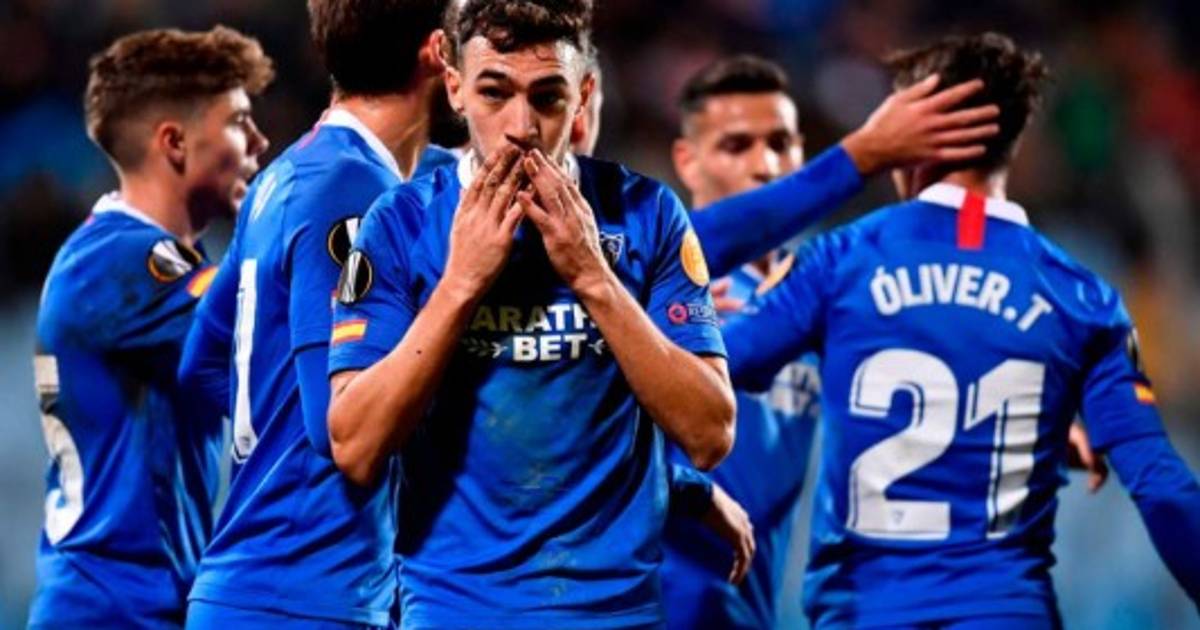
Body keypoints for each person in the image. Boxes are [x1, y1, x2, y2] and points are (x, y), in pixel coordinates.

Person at [721, 32, 1200, 628]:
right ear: (1012, 143)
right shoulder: (1082, 297)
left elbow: (711, 372)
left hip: (867, 614)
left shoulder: (840, 261)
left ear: (911, 137)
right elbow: (1162, 488)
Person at [326, 0, 738, 626]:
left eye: (548, 97)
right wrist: (460, 285)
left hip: (616, 611)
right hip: (456, 609)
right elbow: (355, 447)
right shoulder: (401, 223)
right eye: (495, 93)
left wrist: (593, 278)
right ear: (455, 86)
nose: (521, 126)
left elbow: (710, 435)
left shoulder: (645, 213)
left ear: (583, 97)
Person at [176, 1, 456, 627]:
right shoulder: (350, 190)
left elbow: (202, 366)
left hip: (262, 589)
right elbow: (343, 430)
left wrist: (272, 444)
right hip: (304, 595)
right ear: (439, 51)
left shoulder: (289, 176)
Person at [30, 26, 271, 629]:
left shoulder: (129, 258)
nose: (260, 142)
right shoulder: (116, 262)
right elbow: (264, 314)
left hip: (132, 601)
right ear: (174, 142)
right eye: (239, 122)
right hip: (111, 607)